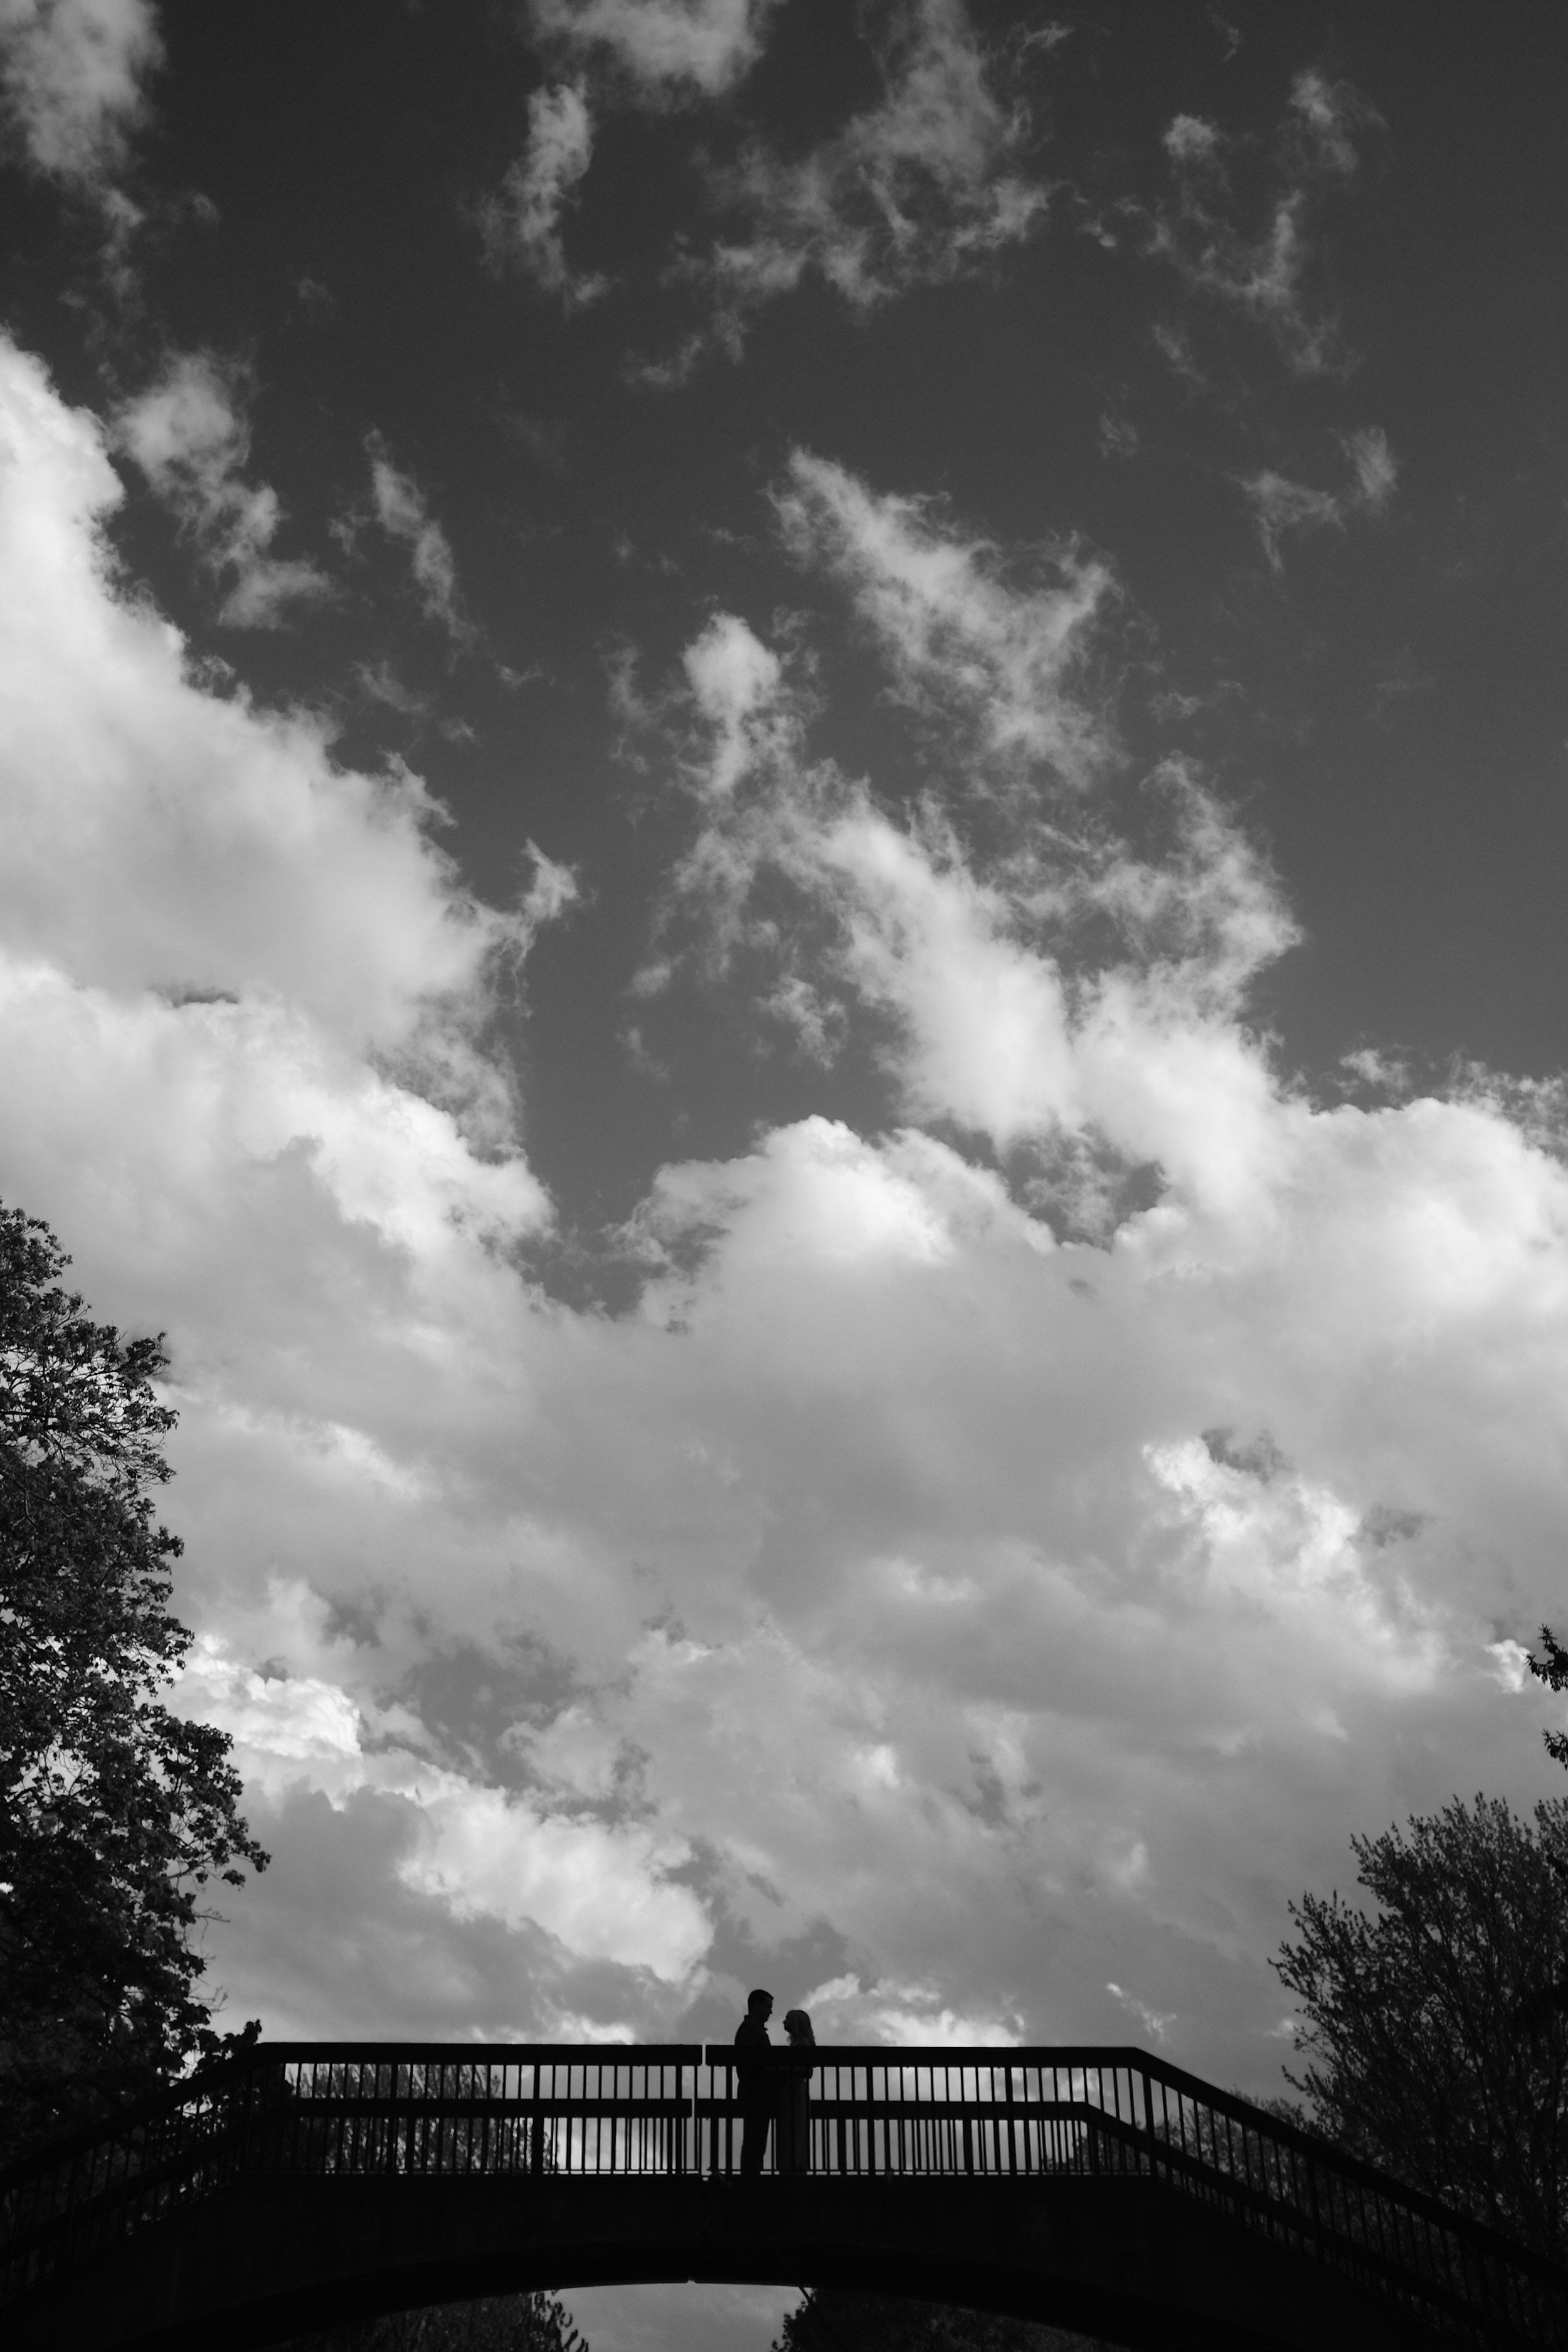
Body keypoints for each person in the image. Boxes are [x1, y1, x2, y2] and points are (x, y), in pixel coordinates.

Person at [734, 1988, 775, 2176]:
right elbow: (751, 2063)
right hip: (755, 2094)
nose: (770, 2011)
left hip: (755, 2093)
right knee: (755, 2139)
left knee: (755, 2139)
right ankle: (751, 2177)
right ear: (757, 2006)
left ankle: (751, 2175)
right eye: (768, 2006)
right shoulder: (751, 2030)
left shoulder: (750, 2029)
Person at [776, 2008, 815, 2173]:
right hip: (793, 2093)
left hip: (795, 2094)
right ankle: (793, 2166)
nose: (784, 2021)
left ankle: (793, 2167)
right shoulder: (799, 2044)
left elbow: (807, 2071)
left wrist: (781, 2070)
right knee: (792, 2133)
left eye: (788, 2018)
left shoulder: (802, 2045)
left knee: (794, 2132)